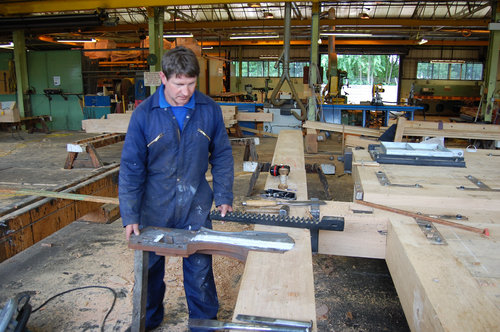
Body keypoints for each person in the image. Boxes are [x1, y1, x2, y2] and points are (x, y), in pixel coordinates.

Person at [119, 46, 234, 331]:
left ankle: (203, 325)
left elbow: (221, 155)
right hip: (153, 205)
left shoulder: (209, 110)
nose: (185, 91)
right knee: (149, 269)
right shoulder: (144, 114)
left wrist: (223, 194)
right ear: (163, 78)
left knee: (199, 271)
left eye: (191, 84)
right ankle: (149, 319)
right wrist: (130, 215)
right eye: (179, 84)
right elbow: (132, 167)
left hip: (195, 204)